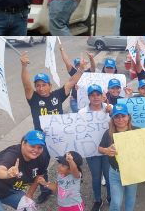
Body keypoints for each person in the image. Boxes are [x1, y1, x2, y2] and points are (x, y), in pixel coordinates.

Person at [20, 51, 85, 204]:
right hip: (41, 141)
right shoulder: (33, 98)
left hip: (59, 138)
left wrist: (81, 69)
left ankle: (71, 183)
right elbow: (26, 84)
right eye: (38, 86)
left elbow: (71, 81)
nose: (41, 88)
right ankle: (45, 190)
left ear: (50, 85)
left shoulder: (57, 95)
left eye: (44, 85)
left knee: (67, 161)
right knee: (42, 166)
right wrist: (23, 66)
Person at [0, 130, 51, 210]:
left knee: (29, 208)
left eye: (39, 147)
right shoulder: (12, 154)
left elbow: (39, 176)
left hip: (9, 188)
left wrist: (29, 194)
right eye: (32, 146)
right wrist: (8, 174)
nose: (36, 150)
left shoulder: (42, 157)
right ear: (23, 143)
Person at [99, 103, 138, 211]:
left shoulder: (137, 131)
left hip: (132, 172)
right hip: (115, 173)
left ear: (128, 117)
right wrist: (106, 150)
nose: (120, 119)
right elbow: (100, 148)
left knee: (130, 200)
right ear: (113, 118)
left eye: (123, 116)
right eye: (117, 116)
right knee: (116, 202)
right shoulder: (109, 133)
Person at [79, 84, 112, 210]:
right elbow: (77, 131)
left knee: (109, 177)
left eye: (98, 94)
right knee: (96, 177)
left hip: (108, 150)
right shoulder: (82, 112)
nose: (95, 97)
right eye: (92, 95)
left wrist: (112, 112)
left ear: (102, 96)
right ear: (88, 97)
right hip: (91, 151)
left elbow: (121, 122)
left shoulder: (110, 108)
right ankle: (98, 200)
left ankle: (110, 197)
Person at [58, 45, 95, 113]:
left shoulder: (88, 73)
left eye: (80, 64)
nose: (79, 66)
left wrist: (91, 59)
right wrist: (61, 49)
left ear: (85, 65)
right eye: (77, 65)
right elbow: (66, 61)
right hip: (75, 101)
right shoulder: (74, 73)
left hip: (87, 100)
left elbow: (93, 67)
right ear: (75, 66)